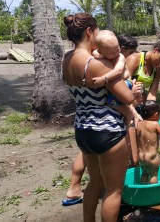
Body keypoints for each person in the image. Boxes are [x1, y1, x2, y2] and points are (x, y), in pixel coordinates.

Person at [62, 14, 142, 222]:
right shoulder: (94, 64)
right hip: (108, 131)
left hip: (82, 128)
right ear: (89, 32)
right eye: (97, 33)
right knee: (113, 190)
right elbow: (127, 98)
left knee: (94, 183)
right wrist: (135, 92)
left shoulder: (67, 60)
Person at [126, 32, 160, 109]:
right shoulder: (134, 59)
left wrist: (150, 109)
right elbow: (124, 86)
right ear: (155, 50)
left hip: (140, 105)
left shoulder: (158, 68)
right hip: (125, 105)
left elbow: (152, 93)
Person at [136, 100, 160, 184]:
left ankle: (143, 190)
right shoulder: (155, 124)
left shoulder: (138, 124)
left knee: (144, 173)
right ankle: (153, 192)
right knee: (153, 174)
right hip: (152, 157)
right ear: (156, 114)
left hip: (141, 156)